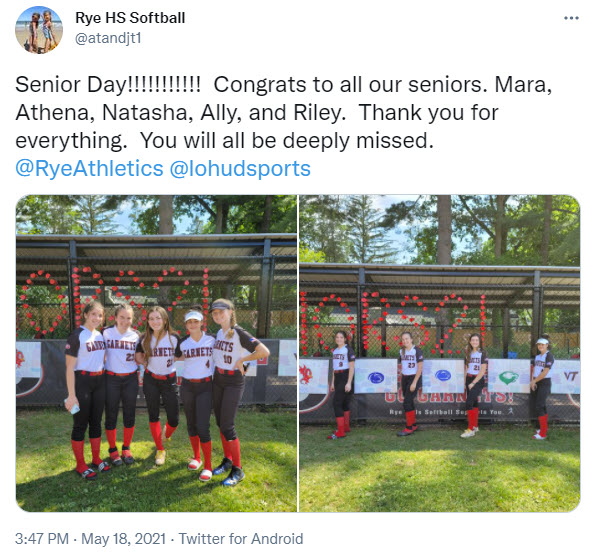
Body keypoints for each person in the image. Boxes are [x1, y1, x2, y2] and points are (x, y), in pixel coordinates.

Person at [211, 299, 270, 486]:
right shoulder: (219, 333)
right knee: (220, 422)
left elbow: (264, 351)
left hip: (233, 381)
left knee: (228, 425)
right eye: (214, 313)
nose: (218, 315)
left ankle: (238, 469)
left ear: (230, 312)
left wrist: (243, 360)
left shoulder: (239, 332)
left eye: (222, 311)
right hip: (218, 379)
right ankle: (227, 460)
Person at [64, 301, 110, 480]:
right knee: (80, 424)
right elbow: (69, 368)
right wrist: (71, 395)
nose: (97, 318)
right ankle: (80, 464)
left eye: (100, 315)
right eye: (93, 314)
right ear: (85, 315)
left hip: (100, 381)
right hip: (82, 381)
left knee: (96, 422)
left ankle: (96, 459)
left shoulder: (99, 335)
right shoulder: (77, 335)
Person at [135, 306, 181, 465]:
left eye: (158, 318)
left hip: (169, 380)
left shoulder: (174, 337)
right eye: (151, 318)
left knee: (174, 419)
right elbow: (138, 356)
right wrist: (144, 362)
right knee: (153, 415)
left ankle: (166, 435)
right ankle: (160, 449)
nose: (155, 321)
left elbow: (181, 356)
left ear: (165, 319)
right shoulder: (144, 338)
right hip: (151, 380)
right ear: (148, 321)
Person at [177, 310, 215, 481]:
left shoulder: (212, 339)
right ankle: (197, 458)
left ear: (201, 322)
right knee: (191, 424)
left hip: (205, 386)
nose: (192, 324)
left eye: (195, 321)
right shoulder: (183, 342)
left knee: (202, 426)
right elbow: (173, 357)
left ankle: (208, 466)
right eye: (189, 322)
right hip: (187, 386)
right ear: (186, 325)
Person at [103, 304, 140, 466]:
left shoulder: (137, 336)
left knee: (129, 413)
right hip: (111, 378)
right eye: (122, 317)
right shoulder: (105, 332)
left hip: (130, 379)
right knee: (111, 413)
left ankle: (126, 448)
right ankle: (112, 449)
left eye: (129, 318)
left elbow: (141, 356)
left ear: (133, 319)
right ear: (115, 317)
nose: (125, 321)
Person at [328, 331, 355, 439]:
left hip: (345, 376)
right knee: (344, 403)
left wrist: (349, 383)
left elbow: (352, 368)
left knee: (336, 403)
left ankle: (340, 431)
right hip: (338, 377)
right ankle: (345, 427)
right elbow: (335, 368)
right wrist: (333, 382)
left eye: (341, 337)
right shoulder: (335, 351)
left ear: (345, 339)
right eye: (337, 337)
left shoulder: (348, 350)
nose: (339, 339)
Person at [460, 333, 488, 438]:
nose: (475, 342)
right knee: (474, 402)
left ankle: (470, 429)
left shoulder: (483, 353)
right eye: (473, 340)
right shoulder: (468, 352)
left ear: (480, 341)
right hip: (469, 378)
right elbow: (466, 368)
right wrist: (465, 382)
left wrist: (473, 383)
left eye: (477, 340)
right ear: (470, 341)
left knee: (469, 402)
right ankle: (475, 426)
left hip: (478, 380)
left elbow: (482, 370)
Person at [397, 331, 424, 436]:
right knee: (409, 401)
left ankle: (408, 428)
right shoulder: (402, 351)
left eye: (407, 339)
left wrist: (414, 382)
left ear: (411, 339)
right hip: (405, 378)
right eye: (403, 339)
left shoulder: (417, 351)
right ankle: (413, 425)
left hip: (414, 378)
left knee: (407, 402)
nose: (405, 341)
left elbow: (420, 367)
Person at [531, 337, 554, 440]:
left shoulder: (549, 356)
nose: (540, 346)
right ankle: (543, 429)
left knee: (539, 406)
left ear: (547, 345)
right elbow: (535, 370)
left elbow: (545, 372)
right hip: (537, 382)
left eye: (542, 344)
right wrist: (533, 381)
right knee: (541, 406)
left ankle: (543, 434)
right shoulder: (537, 356)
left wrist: (535, 381)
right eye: (539, 344)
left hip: (544, 382)